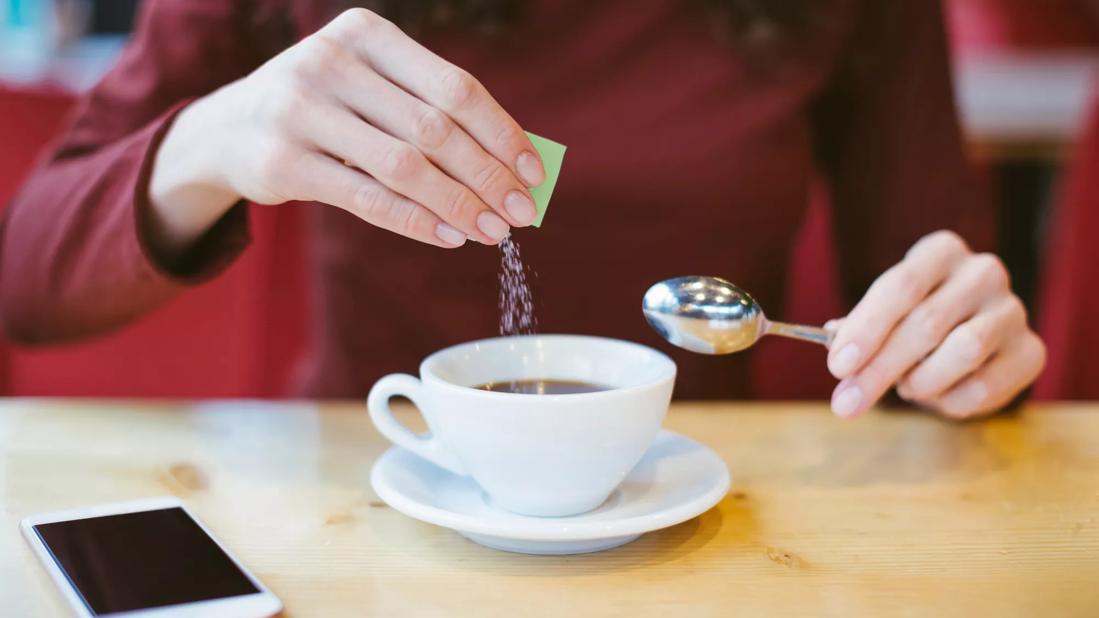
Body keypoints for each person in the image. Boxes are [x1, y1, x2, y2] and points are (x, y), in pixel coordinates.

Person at [0, 0, 1044, 418]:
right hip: (368, 486)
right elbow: (26, 284)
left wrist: (957, 346)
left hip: (701, 509)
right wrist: (213, 142)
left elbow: (926, 298)